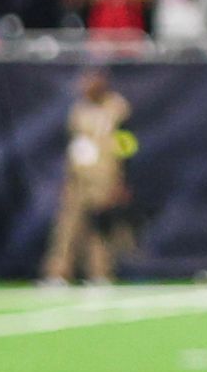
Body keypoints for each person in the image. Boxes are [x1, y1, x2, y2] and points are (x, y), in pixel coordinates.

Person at [42, 69, 138, 287]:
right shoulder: (78, 109)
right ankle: (58, 273)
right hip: (78, 177)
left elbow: (127, 146)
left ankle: (100, 273)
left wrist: (122, 180)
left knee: (100, 228)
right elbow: (74, 146)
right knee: (67, 226)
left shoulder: (118, 109)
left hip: (105, 176)